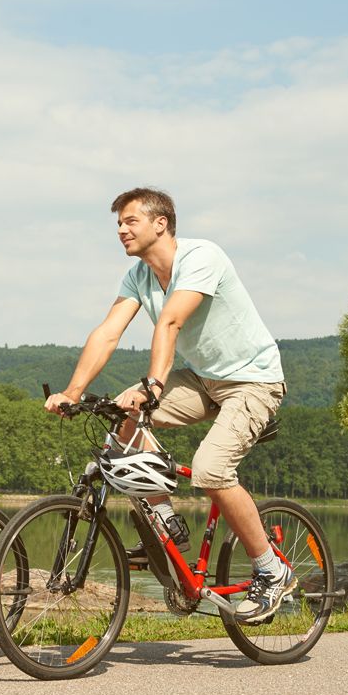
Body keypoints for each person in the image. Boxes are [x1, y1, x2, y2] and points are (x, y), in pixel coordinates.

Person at [44, 188, 291, 624]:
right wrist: (73, 391)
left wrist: (153, 384)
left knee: (212, 469)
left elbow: (171, 321)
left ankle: (272, 572)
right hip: (204, 380)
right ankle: (166, 524)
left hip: (253, 380)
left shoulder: (202, 257)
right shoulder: (139, 275)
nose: (121, 229)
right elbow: (107, 333)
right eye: (118, 223)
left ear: (161, 223)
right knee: (122, 421)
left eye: (130, 221)